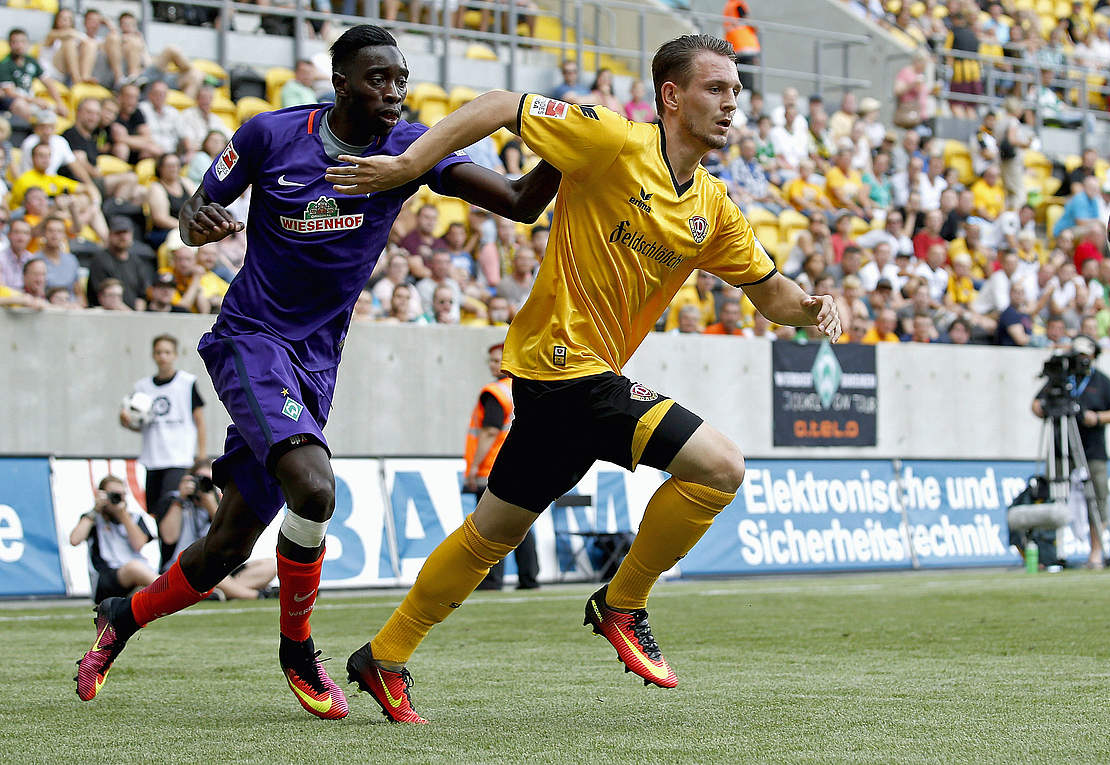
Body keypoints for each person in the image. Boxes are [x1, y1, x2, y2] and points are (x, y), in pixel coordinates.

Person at [327, 33, 839, 720]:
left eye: (736, 93)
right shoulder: (612, 141)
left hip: (568, 382)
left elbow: (772, 295)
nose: (731, 104)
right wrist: (408, 165)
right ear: (671, 95)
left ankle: (384, 654)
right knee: (720, 466)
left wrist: (810, 307)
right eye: (716, 88)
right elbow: (501, 104)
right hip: (565, 366)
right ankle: (624, 602)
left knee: (490, 535)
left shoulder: (714, 208)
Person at [74, 25, 560, 721]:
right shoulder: (270, 134)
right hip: (251, 339)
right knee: (314, 485)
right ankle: (298, 649)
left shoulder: (409, 149)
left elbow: (520, 201)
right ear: (340, 83)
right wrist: (198, 220)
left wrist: (571, 148)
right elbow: (192, 212)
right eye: (377, 79)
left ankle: (121, 616)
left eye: (400, 79)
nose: (393, 92)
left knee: (225, 547)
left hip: (316, 361)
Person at [1031, 335, 1110, 569]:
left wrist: (1097, 418)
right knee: (1054, 496)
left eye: (1085, 355)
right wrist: (1046, 408)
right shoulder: (1062, 379)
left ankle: (1096, 551)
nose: (1081, 360)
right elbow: (1036, 404)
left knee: (1097, 499)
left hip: (1092, 450)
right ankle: (1052, 551)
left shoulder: (1101, 381)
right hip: (1061, 447)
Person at [466, 342, 538, 591]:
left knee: (488, 526)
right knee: (521, 524)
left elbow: (489, 432)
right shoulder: (527, 387)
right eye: (491, 360)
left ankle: (491, 579)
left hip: (493, 468)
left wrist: (473, 467)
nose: (493, 365)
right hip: (523, 465)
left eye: (498, 360)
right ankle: (529, 578)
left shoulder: (495, 392)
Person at [158, 460, 276, 599]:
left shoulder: (219, 503)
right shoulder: (174, 500)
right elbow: (169, 537)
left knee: (270, 566)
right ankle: (256, 595)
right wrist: (179, 501)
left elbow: (231, 538)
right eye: (199, 480)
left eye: (209, 481)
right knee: (213, 575)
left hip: (218, 567)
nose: (202, 485)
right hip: (185, 565)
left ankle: (219, 593)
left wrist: (211, 506)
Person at [121, 334, 207, 518]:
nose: (163, 357)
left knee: (172, 509)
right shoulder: (142, 387)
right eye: (159, 352)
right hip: (153, 459)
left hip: (178, 458)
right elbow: (139, 425)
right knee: (155, 512)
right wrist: (126, 421)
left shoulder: (186, 383)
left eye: (167, 352)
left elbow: (199, 421)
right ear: (153, 355)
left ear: (175, 355)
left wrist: (201, 455)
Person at [68, 476, 158, 604]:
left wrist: (123, 515)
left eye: (121, 495)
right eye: (113, 495)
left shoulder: (134, 518)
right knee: (134, 567)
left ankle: (155, 590)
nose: (117, 498)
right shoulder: (93, 519)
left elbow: (138, 544)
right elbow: (74, 540)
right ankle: (169, 589)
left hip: (135, 573)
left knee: (137, 569)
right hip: (105, 577)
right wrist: (95, 510)